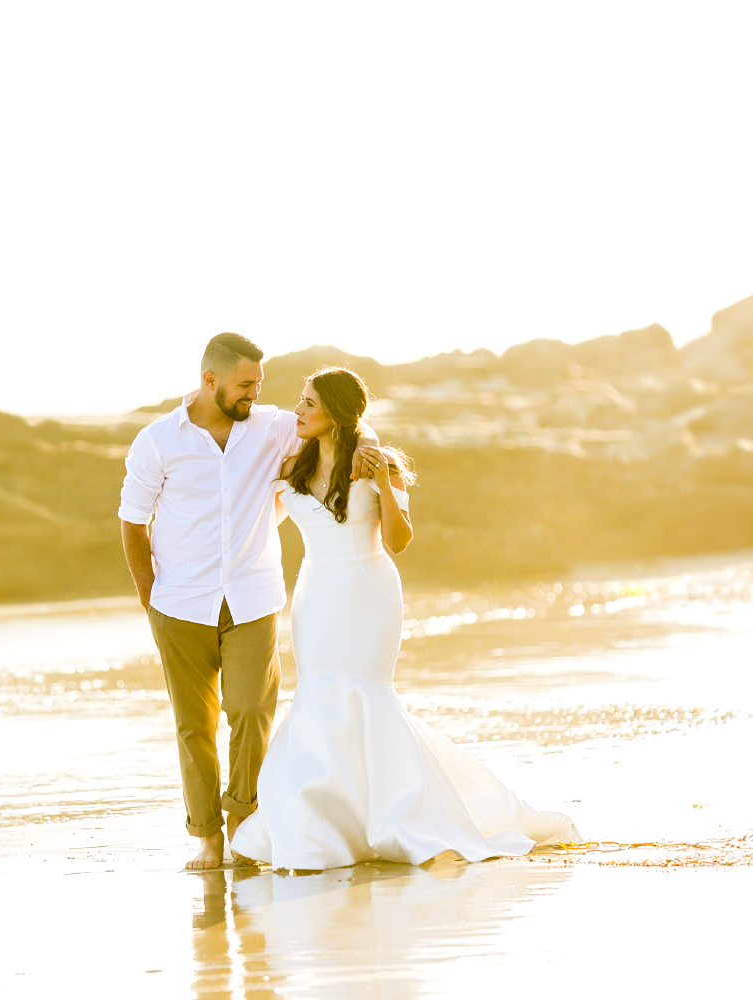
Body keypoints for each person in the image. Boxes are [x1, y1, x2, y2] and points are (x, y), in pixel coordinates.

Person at [231, 366, 581, 870]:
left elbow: (398, 541)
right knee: (319, 696)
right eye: (299, 401)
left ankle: (400, 818)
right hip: (316, 595)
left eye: (308, 403)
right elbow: (250, 520)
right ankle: (323, 825)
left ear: (335, 411)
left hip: (369, 592)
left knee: (367, 698)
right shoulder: (291, 469)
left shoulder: (379, 464)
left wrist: (382, 483)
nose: (298, 411)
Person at [118, 334, 378, 870]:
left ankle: (242, 822)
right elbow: (132, 522)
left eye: (258, 384)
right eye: (244, 385)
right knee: (193, 725)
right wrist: (151, 600)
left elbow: (342, 418)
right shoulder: (157, 440)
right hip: (178, 604)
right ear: (209, 380)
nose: (253, 395)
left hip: (252, 597)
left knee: (249, 711)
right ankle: (207, 837)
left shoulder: (271, 427)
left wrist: (370, 448)